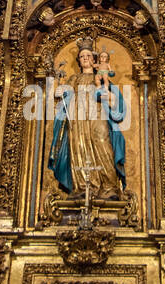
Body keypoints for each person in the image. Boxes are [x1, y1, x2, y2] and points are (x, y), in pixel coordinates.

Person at [48, 40, 126, 200]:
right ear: (79, 60)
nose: (85, 58)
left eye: (88, 55)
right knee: (78, 147)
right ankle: (82, 186)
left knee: (103, 143)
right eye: (82, 56)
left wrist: (109, 97)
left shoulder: (100, 76)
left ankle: (109, 186)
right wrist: (61, 91)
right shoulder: (73, 79)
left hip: (97, 115)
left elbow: (113, 96)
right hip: (78, 119)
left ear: (94, 59)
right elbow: (65, 95)